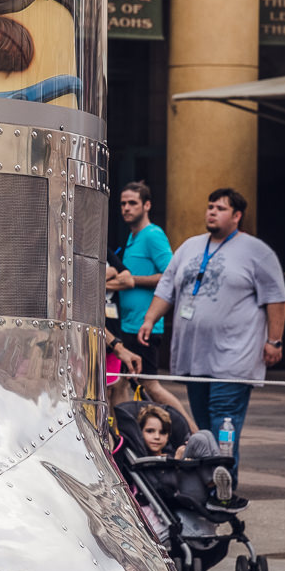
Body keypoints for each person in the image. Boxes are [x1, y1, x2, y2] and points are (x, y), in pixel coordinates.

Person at [140, 188, 285, 466]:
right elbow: (166, 287)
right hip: (196, 356)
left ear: (237, 215)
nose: (212, 212)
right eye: (210, 206)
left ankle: (224, 485)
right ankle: (207, 483)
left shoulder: (257, 251)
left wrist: (275, 340)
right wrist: (150, 319)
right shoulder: (191, 246)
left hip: (234, 355)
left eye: (220, 208)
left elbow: (276, 297)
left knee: (223, 422)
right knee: (204, 427)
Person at [103, 181, 185, 423]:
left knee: (152, 386)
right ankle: (127, 440)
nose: (126, 208)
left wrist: (130, 280)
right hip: (126, 325)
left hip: (144, 325)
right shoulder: (132, 238)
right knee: (120, 387)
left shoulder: (152, 235)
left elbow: (171, 275)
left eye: (133, 203)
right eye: (123, 204)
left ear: (147, 205)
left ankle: (189, 433)